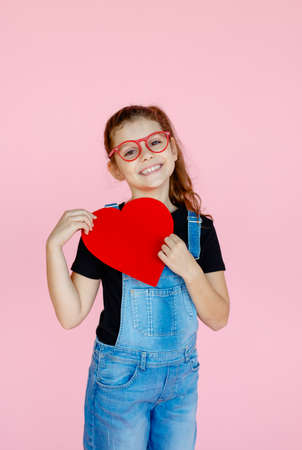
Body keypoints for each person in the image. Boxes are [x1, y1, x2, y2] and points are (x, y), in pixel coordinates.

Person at [46, 104, 230, 450]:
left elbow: (218, 318)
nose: (145, 154)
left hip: (181, 379)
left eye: (155, 142)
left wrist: (190, 269)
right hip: (120, 379)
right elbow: (70, 315)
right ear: (115, 168)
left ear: (173, 149)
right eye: (129, 151)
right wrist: (53, 248)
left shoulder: (199, 230)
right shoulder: (104, 229)